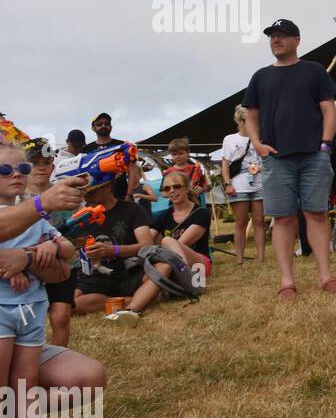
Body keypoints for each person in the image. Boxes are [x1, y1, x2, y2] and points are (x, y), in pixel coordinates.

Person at [243, 18, 336, 300]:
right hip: (276, 158)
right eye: (272, 36)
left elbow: (329, 110)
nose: (276, 40)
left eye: (282, 35)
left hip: (314, 155)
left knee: (316, 215)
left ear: (297, 40)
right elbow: (250, 113)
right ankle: (287, 282)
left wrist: (325, 146)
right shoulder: (260, 76)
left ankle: (325, 276)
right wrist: (257, 144)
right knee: (283, 219)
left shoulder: (314, 71)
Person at [0, 142, 77, 418]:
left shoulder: (36, 215)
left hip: (32, 309)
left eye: (22, 169)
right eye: (5, 170)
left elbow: (69, 251)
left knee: (25, 381)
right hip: (2, 311)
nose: (16, 175)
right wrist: (12, 268)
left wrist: (50, 246)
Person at [72, 174, 175, 323]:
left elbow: (147, 245)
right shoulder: (81, 217)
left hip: (129, 270)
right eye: (85, 193)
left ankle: (130, 310)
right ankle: (130, 300)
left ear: (108, 187)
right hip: (97, 274)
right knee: (69, 305)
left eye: (91, 192)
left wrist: (112, 250)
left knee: (163, 268)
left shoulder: (132, 209)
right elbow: (74, 250)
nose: (87, 197)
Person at [23, 142, 77, 347]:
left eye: (46, 162)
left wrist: (60, 246)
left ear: (54, 166)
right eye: (35, 162)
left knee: (61, 316)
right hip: (26, 263)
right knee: (25, 320)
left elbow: (78, 227)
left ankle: (58, 356)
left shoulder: (64, 192)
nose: (41, 167)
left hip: (63, 260)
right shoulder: (15, 197)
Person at [218, 105, 265, 263]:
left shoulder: (260, 137)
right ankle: (239, 258)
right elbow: (225, 163)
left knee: (259, 220)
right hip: (239, 186)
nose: (254, 121)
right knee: (241, 221)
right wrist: (227, 184)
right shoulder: (230, 139)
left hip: (259, 184)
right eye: (250, 118)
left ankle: (261, 256)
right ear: (241, 120)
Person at [151, 171, 211, 279]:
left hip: (199, 263)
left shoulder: (202, 213)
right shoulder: (164, 215)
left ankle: (186, 276)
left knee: (167, 241)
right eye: (167, 188)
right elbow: (146, 240)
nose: (172, 191)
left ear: (187, 188)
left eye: (177, 186)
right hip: (170, 260)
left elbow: (180, 243)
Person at [87, 113, 140, 201]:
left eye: (107, 124)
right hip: (96, 197)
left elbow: (132, 168)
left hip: (121, 195)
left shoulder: (122, 145)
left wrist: (129, 194)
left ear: (111, 127)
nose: (103, 126)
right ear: (93, 128)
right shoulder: (86, 149)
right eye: (99, 124)